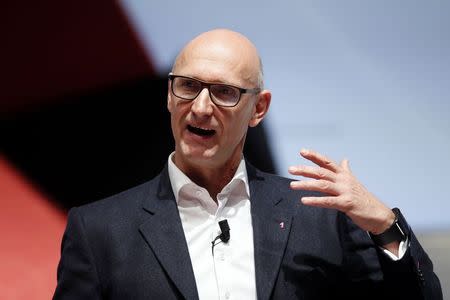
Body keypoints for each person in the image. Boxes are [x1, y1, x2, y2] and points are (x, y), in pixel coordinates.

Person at [53, 29, 442, 299]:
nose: (201, 108)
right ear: (169, 96)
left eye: (224, 92)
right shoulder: (99, 231)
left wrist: (384, 226)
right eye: (188, 86)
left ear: (258, 108)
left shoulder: (319, 216)